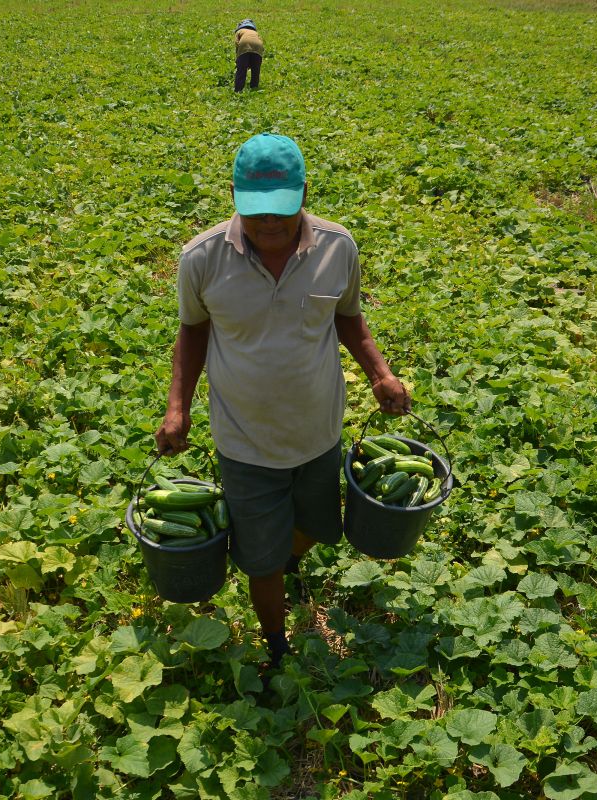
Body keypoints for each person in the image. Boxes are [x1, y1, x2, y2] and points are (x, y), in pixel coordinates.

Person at [155, 133, 410, 672]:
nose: (269, 226)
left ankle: (283, 554)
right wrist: (177, 407)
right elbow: (192, 334)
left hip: (318, 429)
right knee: (262, 563)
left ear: (304, 193)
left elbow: (348, 319)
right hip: (245, 439)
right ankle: (275, 641)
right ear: (234, 195)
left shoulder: (338, 247)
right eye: (257, 215)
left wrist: (380, 374)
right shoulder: (201, 259)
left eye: (282, 214)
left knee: (317, 526)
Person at [233, 19, 264, 92]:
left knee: (241, 69)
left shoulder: (239, 31)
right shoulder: (255, 32)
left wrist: (238, 59)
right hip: (258, 47)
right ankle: (254, 87)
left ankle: (238, 89)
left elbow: (237, 43)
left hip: (244, 45)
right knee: (256, 70)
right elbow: (261, 43)